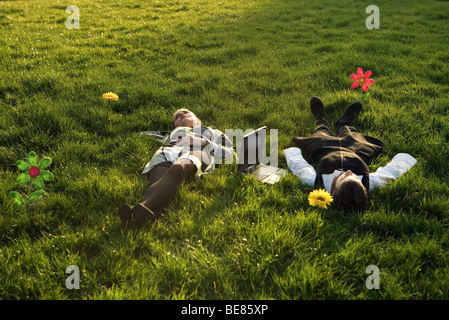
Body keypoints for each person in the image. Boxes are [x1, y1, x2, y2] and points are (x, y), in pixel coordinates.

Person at [284, 97, 417, 211]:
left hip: (325, 149)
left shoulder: (315, 180)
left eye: (343, 177)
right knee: (350, 134)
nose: (348, 171)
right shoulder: (370, 182)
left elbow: (298, 165)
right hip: (355, 150)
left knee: (320, 134)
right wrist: (405, 158)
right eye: (354, 177)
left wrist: (291, 151)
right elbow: (392, 171)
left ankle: (321, 118)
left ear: (333, 191)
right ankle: (344, 122)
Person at [119, 108, 234, 226]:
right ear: (175, 125)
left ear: (197, 119)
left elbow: (231, 153)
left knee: (178, 168)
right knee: (158, 180)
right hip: (166, 152)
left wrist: (204, 142)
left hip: (197, 151)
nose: (182, 114)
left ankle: (142, 206)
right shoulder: (170, 134)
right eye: (177, 117)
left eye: (185, 112)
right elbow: (141, 134)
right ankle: (147, 217)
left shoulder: (213, 132)